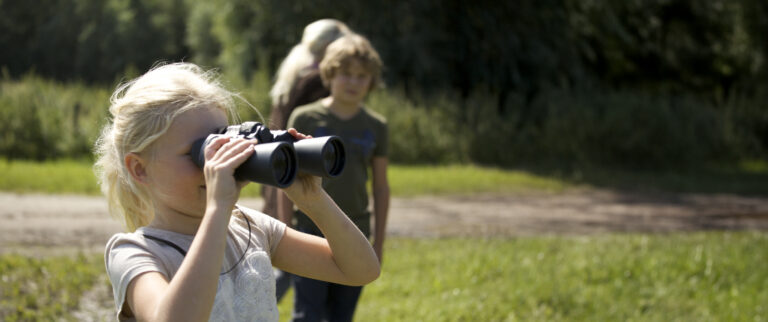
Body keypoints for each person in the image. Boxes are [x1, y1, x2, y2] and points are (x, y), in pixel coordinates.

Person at [94, 62, 380, 321]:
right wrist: (218, 209)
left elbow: (360, 270)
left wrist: (315, 201)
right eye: (203, 151)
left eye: (225, 142)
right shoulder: (135, 252)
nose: (222, 161)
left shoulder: (252, 228)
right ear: (140, 169)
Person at [283, 33, 390, 322]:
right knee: (307, 313)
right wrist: (284, 231)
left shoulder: (377, 126)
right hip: (309, 228)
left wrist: (377, 242)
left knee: (341, 316)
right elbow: (285, 178)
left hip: (356, 229)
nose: (354, 82)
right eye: (346, 74)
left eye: (362, 76)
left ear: (371, 81)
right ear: (329, 74)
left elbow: (381, 188)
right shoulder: (304, 118)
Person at [263, 19, 352, 301]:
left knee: (282, 258)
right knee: (294, 264)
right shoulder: (318, 81)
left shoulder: (292, 75)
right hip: (300, 175)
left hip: (279, 168)